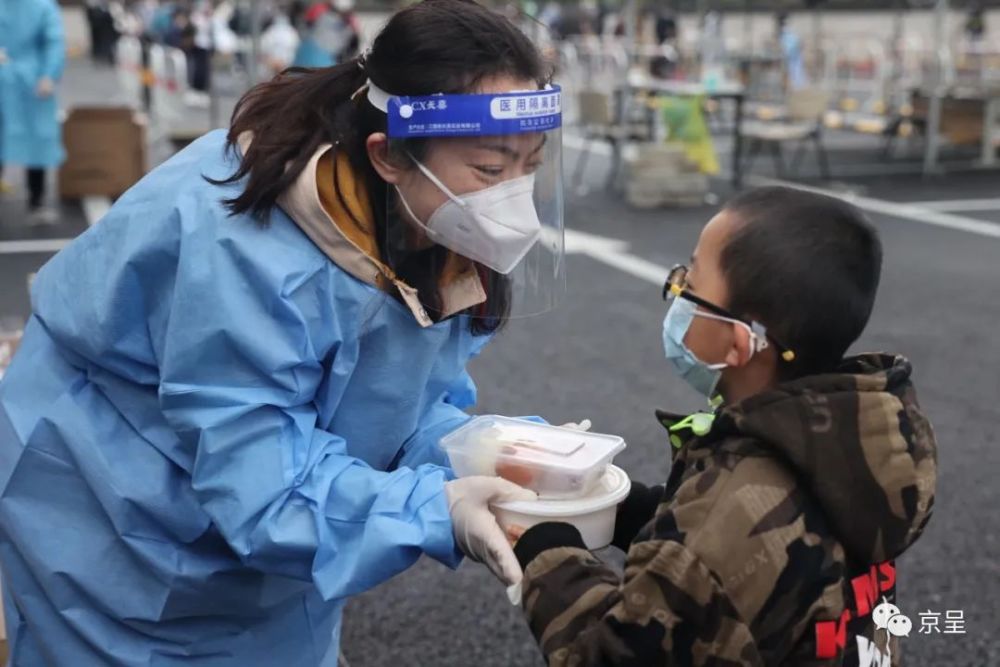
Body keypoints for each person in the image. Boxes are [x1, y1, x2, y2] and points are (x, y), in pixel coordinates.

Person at [0, 0, 569, 664]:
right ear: (389, 154)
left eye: (530, 166)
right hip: (113, 524)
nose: (513, 202)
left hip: (243, 525)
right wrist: (435, 510)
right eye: (491, 170)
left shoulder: (417, 214)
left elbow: (389, 403)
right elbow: (264, 484)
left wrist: (489, 453)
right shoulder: (246, 251)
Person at [510, 187, 938, 665]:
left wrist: (545, 548)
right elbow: (761, 557)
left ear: (739, 342)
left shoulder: (726, 513)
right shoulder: (851, 443)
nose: (678, 293)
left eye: (690, 281)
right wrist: (619, 506)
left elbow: (612, 654)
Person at [0, 0, 65, 223]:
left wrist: (49, 73)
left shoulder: (42, 6)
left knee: (38, 139)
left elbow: (53, 42)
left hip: (33, 81)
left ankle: (36, 201)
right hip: (4, 78)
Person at [776, 11, 807, 90]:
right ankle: (797, 87)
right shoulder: (784, 32)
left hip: (793, 55)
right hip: (790, 55)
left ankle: (799, 88)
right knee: (794, 72)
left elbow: (795, 42)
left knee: (796, 72)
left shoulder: (787, 31)